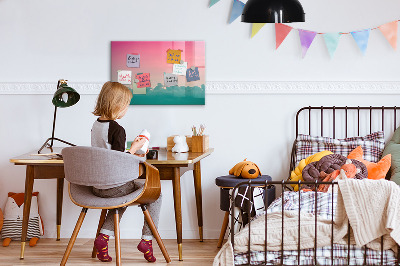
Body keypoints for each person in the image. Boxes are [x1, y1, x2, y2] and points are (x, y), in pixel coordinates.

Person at [91, 81, 161, 263]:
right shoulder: (117, 129)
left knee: (122, 197)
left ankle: (103, 238)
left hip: (97, 186)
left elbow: (108, 154)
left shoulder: (96, 125)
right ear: (117, 105)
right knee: (156, 194)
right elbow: (118, 161)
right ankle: (147, 240)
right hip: (114, 186)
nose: (127, 109)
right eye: (126, 105)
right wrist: (135, 149)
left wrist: (130, 150)